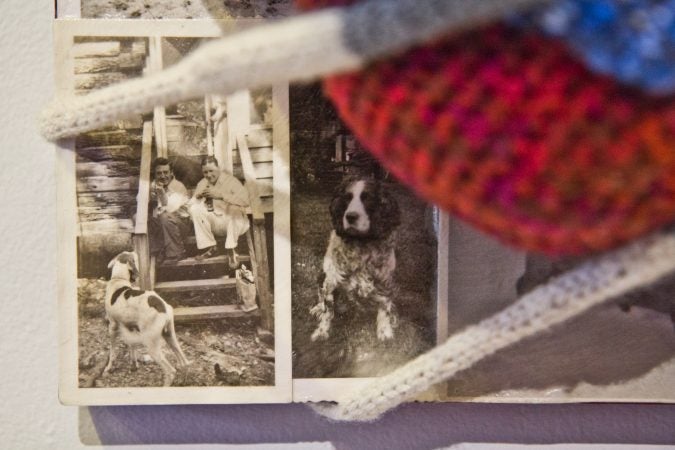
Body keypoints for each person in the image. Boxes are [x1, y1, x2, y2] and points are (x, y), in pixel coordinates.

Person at [188, 156, 250, 266]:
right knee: (194, 209)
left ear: (218, 168)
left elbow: (246, 200)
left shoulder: (231, 181)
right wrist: (197, 198)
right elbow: (191, 206)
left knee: (234, 208)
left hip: (235, 222)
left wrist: (221, 196)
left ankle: (231, 249)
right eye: (205, 172)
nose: (208, 175)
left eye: (211, 171)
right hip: (215, 224)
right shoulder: (202, 183)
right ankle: (211, 247)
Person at [148, 157, 190, 264]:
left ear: (171, 173)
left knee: (164, 216)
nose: (163, 176)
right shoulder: (153, 186)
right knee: (149, 217)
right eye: (159, 173)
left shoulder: (178, 187)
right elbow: (141, 201)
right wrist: (150, 196)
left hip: (181, 225)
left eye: (166, 172)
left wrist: (161, 194)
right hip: (164, 225)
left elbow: (170, 209)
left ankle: (178, 252)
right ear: (155, 174)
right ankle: (158, 251)